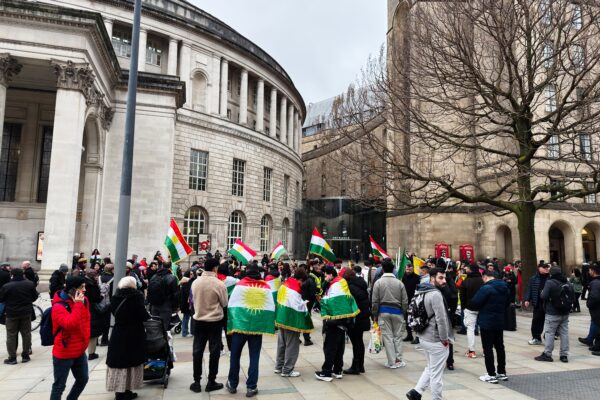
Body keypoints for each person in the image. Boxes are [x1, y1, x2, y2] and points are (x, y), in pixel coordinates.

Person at [226, 263, 276, 397]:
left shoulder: (240, 285)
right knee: (254, 357)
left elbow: (232, 305)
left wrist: (233, 322)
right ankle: (251, 387)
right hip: (256, 328)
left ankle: (232, 383)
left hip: (239, 327)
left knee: (235, 356)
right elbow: (270, 307)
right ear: (258, 272)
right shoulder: (265, 286)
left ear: (247, 272)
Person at [406, 268, 452, 400]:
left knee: (431, 367)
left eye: (444, 278)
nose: (444, 281)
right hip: (435, 338)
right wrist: (444, 338)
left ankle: (416, 392)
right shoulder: (435, 294)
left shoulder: (421, 289)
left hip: (423, 336)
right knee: (436, 374)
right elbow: (441, 319)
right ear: (432, 278)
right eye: (440, 278)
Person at [106, 276, 150, 400]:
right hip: (133, 334)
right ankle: (127, 389)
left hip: (118, 333)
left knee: (120, 363)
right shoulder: (137, 298)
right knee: (131, 363)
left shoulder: (115, 298)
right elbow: (143, 316)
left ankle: (119, 390)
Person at [315, 266, 359, 382]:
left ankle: (326, 372)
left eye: (325, 275)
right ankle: (338, 370)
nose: (324, 278)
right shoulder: (340, 282)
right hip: (343, 320)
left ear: (330, 274)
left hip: (335, 321)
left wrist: (320, 300)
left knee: (330, 347)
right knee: (339, 347)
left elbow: (331, 302)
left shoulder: (336, 284)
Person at [190, 258, 228, 393]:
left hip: (199, 320)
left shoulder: (195, 282)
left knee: (197, 351)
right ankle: (211, 381)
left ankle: (196, 381)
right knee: (214, 351)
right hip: (214, 321)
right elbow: (224, 303)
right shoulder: (219, 284)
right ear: (215, 268)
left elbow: (193, 300)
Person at [50, 276, 90, 400]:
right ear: (73, 289)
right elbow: (70, 324)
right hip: (64, 352)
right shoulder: (58, 306)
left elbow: (85, 321)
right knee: (59, 386)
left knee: (83, 379)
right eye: (81, 287)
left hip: (79, 349)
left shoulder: (84, 300)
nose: (84, 290)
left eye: (85, 286)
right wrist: (78, 305)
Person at [469, 270, 510, 384]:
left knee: (488, 348)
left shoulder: (486, 288)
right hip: (499, 321)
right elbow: (507, 303)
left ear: (485, 277)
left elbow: (474, 303)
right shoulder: (505, 287)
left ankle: (491, 374)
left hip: (487, 322)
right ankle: (501, 372)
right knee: (500, 347)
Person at [274, 267, 314, 377]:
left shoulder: (285, 285)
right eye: (303, 282)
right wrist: (304, 305)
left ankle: (279, 366)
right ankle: (287, 370)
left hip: (281, 318)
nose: (302, 285)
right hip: (290, 320)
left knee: (282, 344)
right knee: (292, 345)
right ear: (300, 279)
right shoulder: (294, 289)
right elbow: (297, 307)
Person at [371, 259, 408, 369]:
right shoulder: (399, 283)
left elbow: (374, 301)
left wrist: (374, 314)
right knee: (398, 337)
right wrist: (404, 312)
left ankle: (391, 362)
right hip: (398, 312)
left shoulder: (378, 282)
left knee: (387, 337)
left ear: (382, 269)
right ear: (393, 270)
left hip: (383, 312)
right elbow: (405, 301)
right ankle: (398, 359)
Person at [0, 267, 38, 364]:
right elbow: (35, 297)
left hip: (12, 313)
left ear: (12, 275)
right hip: (26, 312)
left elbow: (1, 299)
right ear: (22, 274)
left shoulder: (7, 286)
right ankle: (25, 355)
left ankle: (12, 357)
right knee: (26, 334)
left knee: (11, 335)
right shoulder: (29, 284)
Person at [535, 266, 572, 363]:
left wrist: (542, 292)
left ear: (551, 274)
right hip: (565, 312)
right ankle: (564, 355)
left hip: (552, 312)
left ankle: (547, 354)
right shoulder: (567, 282)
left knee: (550, 333)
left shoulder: (550, 282)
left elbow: (543, 296)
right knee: (564, 333)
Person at [343, 268, 371, 374]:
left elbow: (350, 304)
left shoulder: (350, 288)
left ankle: (356, 366)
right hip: (363, 317)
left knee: (356, 343)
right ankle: (360, 365)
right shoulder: (360, 285)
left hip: (356, 319)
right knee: (359, 341)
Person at [459, 263, 484, 358]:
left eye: (468, 268)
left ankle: (471, 351)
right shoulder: (482, 280)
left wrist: (463, 307)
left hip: (469, 308)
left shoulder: (466, 281)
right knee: (483, 329)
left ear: (471, 270)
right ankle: (486, 350)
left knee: (470, 329)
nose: (466, 269)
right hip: (481, 307)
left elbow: (462, 296)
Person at [524, 261, 550, 345]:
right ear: (539, 268)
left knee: (550, 321)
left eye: (547, 267)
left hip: (549, 303)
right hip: (538, 303)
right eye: (544, 267)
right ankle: (536, 337)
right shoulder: (533, 278)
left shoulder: (551, 278)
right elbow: (529, 289)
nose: (546, 269)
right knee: (536, 321)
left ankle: (549, 336)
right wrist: (527, 299)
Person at [147, 263, 180, 331]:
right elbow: (175, 294)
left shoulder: (154, 276)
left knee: (155, 327)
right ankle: (163, 341)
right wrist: (176, 307)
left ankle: (155, 341)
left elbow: (149, 290)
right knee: (164, 328)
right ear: (170, 268)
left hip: (154, 305)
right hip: (166, 305)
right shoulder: (172, 277)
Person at [83, 270, 104, 360]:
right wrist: (101, 297)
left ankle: (89, 351)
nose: (97, 277)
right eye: (95, 275)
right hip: (92, 309)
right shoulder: (91, 285)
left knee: (90, 330)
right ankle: (91, 353)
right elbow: (95, 298)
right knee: (93, 332)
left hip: (86, 307)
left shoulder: (84, 282)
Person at [402, 263, 421, 343]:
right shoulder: (404, 277)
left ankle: (418, 337)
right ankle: (409, 335)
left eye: (410, 269)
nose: (408, 271)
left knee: (416, 319)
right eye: (407, 269)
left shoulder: (417, 278)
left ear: (413, 269)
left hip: (415, 301)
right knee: (407, 320)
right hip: (406, 301)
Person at [586, 264, 600, 356]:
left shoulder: (595, 283)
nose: (589, 272)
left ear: (593, 271)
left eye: (590, 270)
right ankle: (597, 346)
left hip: (597, 310)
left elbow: (594, 297)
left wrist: (588, 304)